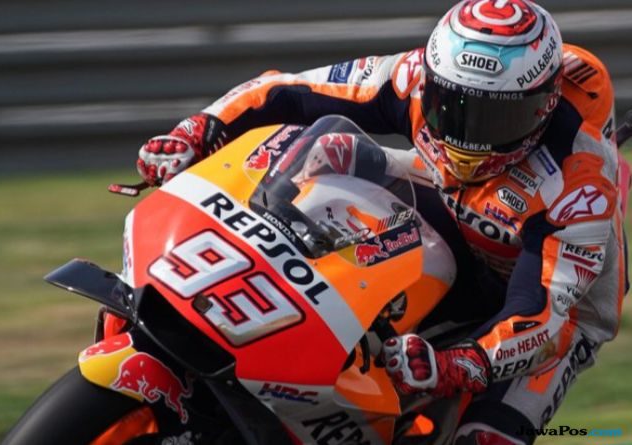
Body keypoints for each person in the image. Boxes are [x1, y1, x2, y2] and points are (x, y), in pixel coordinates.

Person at [136, 0, 628, 443]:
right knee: (333, 155)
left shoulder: (579, 184)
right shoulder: (411, 77)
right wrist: (198, 129)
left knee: (484, 437)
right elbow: (287, 91)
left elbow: (542, 314)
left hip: (553, 309)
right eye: (450, 106)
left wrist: (461, 362)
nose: (465, 135)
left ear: (543, 107)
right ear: (432, 79)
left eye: (493, 119)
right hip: (454, 212)